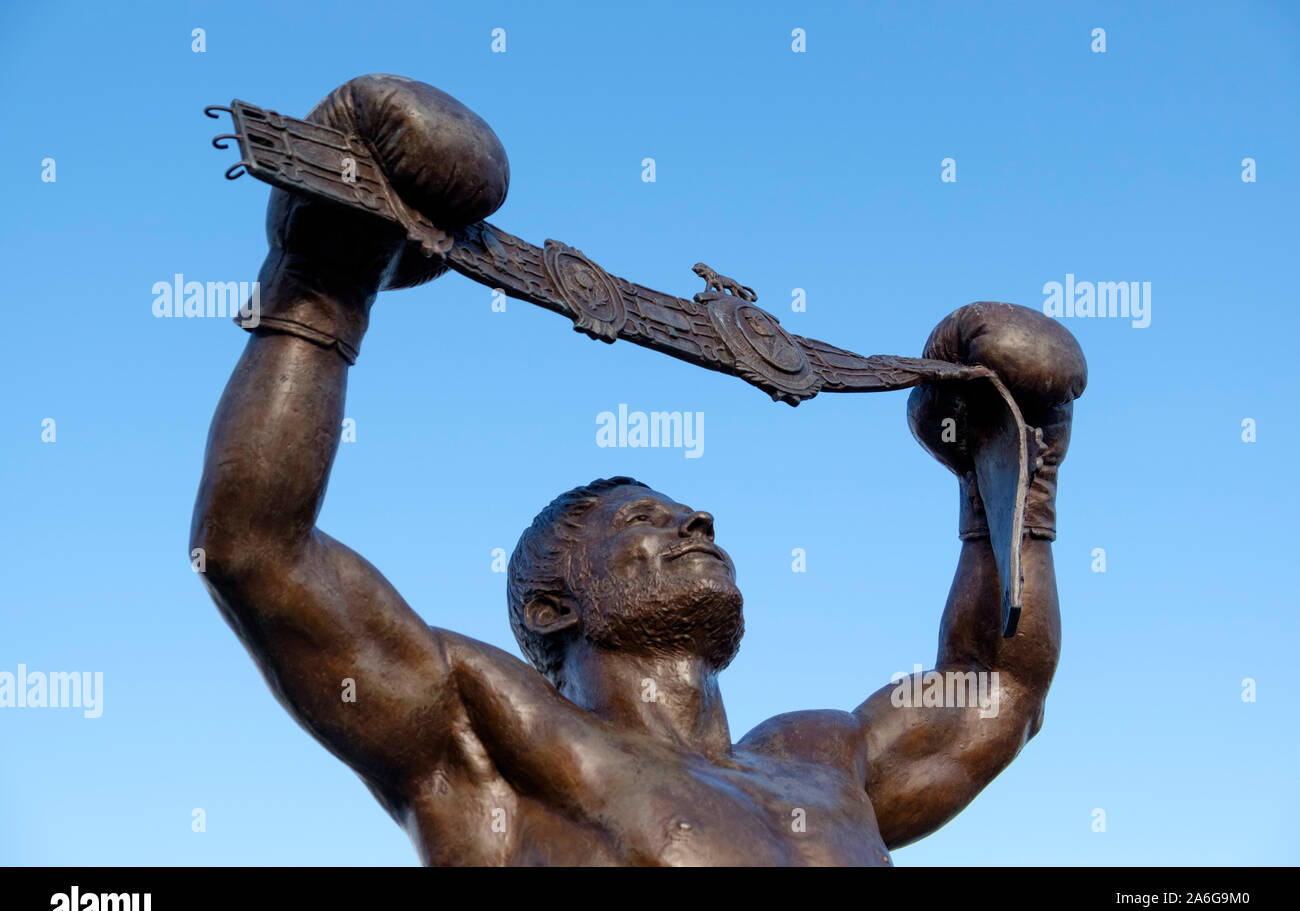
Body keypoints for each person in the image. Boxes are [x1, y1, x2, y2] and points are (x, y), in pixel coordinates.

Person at [191, 75, 1087, 865]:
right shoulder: (495, 732)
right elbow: (257, 553)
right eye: (641, 523)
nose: (694, 522)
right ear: (553, 607)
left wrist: (1012, 484)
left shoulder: (821, 760)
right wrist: (323, 283)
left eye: (686, 512)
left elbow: (1000, 687)